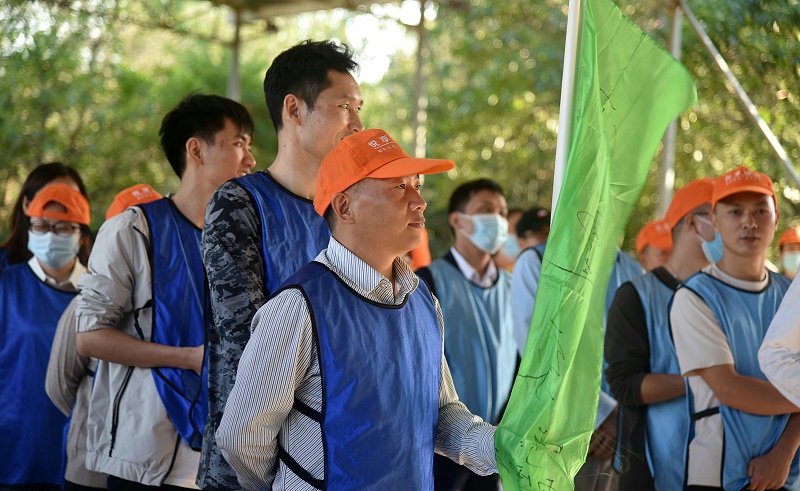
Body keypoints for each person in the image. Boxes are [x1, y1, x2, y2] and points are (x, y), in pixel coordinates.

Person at [216, 128, 497, 491]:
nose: (419, 201)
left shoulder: (423, 300)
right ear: (344, 206)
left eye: (417, 186)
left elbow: (441, 413)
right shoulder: (299, 307)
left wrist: (498, 447)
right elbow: (242, 437)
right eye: (399, 187)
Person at [200, 40, 363, 490]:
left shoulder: (351, 210)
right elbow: (245, 349)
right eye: (344, 106)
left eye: (359, 107)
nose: (358, 123)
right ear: (294, 109)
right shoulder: (239, 203)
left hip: (339, 456)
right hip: (252, 466)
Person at [75, 94, 256, 489]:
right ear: (196, 150)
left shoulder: (245, 241)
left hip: (224, 462)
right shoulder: (135, 229)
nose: (250, 159)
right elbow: (89, 338)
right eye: (238, 143)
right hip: (145, 460)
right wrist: (189, 358)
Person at [670, 166, 800, 491]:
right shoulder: (694, 297)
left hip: (789, 471)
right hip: (716, 475)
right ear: (714, 219)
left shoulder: (791, 295)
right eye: (735, 211)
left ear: (775, 218)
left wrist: (783, 453)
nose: (748, 221)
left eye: (760, 210)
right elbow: (730, 389)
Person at [45, 184, 162, 491]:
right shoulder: (82, 305)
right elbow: (59, 385)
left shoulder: (174, 302)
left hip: (153, 467)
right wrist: (94, 414)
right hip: (90, 468)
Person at [512, 221, 643, 490]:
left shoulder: (631, 267)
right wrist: (601, 415)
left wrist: (622, 420)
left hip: (620, 436)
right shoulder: (538, 260)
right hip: (561, 433)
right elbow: (539, 353)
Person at [605, 178, 714, 491]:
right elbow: (625, 385)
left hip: (725, 468)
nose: (742, 225)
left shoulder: (728, 294)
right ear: (694, 224)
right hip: (652, 468)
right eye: (725, 215)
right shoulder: (637, 296)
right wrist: (713, 382)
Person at [416, 178, 516, 490]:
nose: (498, 220)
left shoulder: (514, 289)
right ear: (458, 220)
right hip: (444, 450)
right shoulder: (427, 283)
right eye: (486, 210)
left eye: (502, 212)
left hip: (497, 443)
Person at [0, 183, 92, 491]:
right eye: (40, 226)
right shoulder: (7, 286)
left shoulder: (101, 292)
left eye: (62, 227)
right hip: (15, 443)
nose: (50, 235)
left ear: (82, 236)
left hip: (81, 448)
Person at [0, 162, 91, 268]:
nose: (59, 205)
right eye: (48, 196)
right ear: (26, 205)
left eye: (73, 199)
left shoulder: (95, 271)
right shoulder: (4, 272)